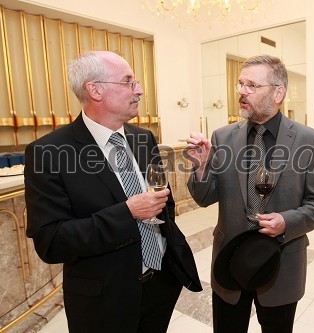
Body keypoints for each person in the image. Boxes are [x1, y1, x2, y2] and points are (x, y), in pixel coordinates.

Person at [24, 51, 201, 333]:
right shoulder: (49, 152)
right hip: (104, 300)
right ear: (95, 90)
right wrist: (127, 213)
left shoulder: (143, 138)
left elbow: (163, 203)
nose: (139, 90)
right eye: (128, 82)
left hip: (161, 285)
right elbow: (51, 241)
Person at [186, 54, 314, 333]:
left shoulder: (309, 141)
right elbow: (204, 198)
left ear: (278, 93)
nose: (242, 91)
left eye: (252, 85)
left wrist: (285, 222)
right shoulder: (222, 137)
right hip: (229, 263)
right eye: (240, 84)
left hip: (281, 266)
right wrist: (202, 168)